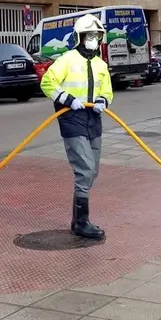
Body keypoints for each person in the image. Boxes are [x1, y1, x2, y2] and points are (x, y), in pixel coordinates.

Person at [40, 13, 113, 240]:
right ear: (80, 37)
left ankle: (78, 220)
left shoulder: (101, 64)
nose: (93, 39)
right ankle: (81, 223)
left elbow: (107, 90)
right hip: (72, 118)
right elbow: (47, 82)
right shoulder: (67, 60)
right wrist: (67, 98)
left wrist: (103, 100)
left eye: (96, 35)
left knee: (93, 171)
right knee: (85, 168)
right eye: (89, 35)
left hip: (93, 119)